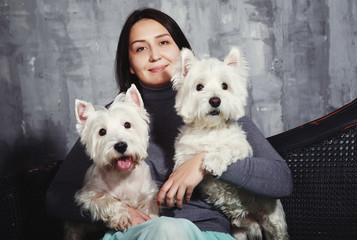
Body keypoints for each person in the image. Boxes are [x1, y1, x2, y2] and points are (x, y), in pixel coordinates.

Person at [46, 8, 293, 240]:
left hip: (204, 233)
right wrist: (117, 211)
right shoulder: (107, 123)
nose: (155, 55)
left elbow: (281, 180)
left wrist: (204, 163)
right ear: (130, 64)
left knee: (170, 230)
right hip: (135, 233)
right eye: (141, 49)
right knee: (165, 229)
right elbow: (57, 196)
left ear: (182, 52)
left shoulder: (218, 109)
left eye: (164, 42)